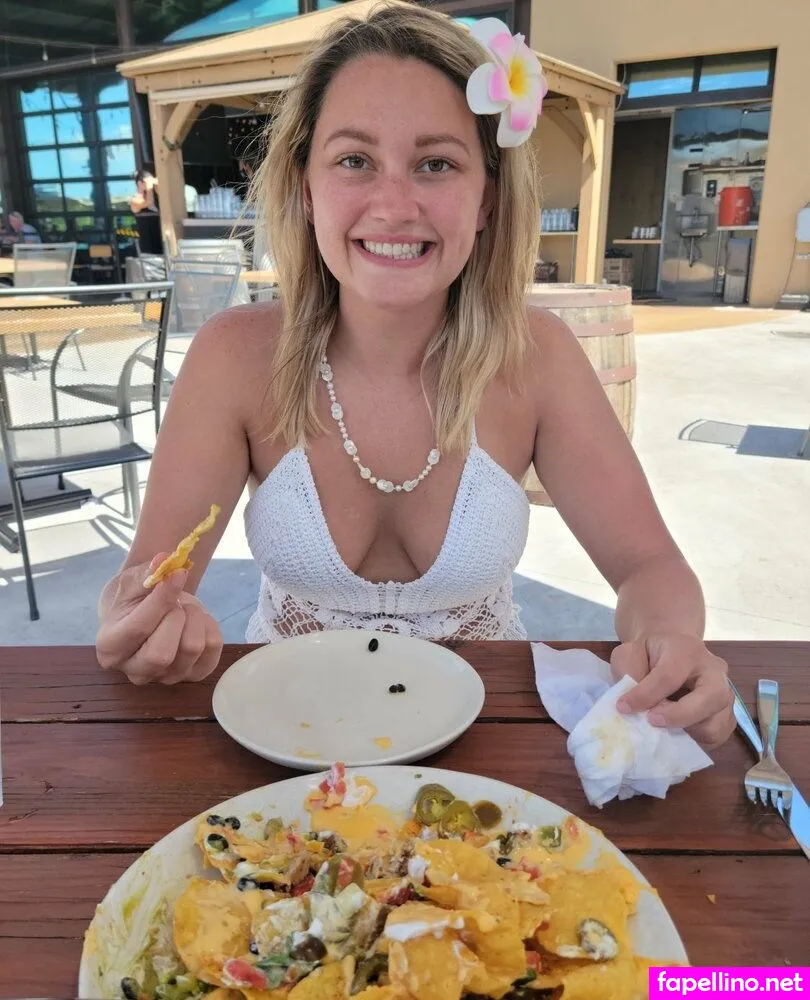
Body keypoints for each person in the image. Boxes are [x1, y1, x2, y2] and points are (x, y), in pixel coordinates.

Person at [95, 5, 734, 749]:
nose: (395, 206)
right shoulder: (234, 357)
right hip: (284, 740)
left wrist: (670, 641)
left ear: (488, 197)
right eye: (354, 160)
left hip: (486, 748)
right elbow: (147, 585)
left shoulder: (539, 358)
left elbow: (649, 566)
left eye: (436, 163)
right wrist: (142, 625)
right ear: (305, 187)